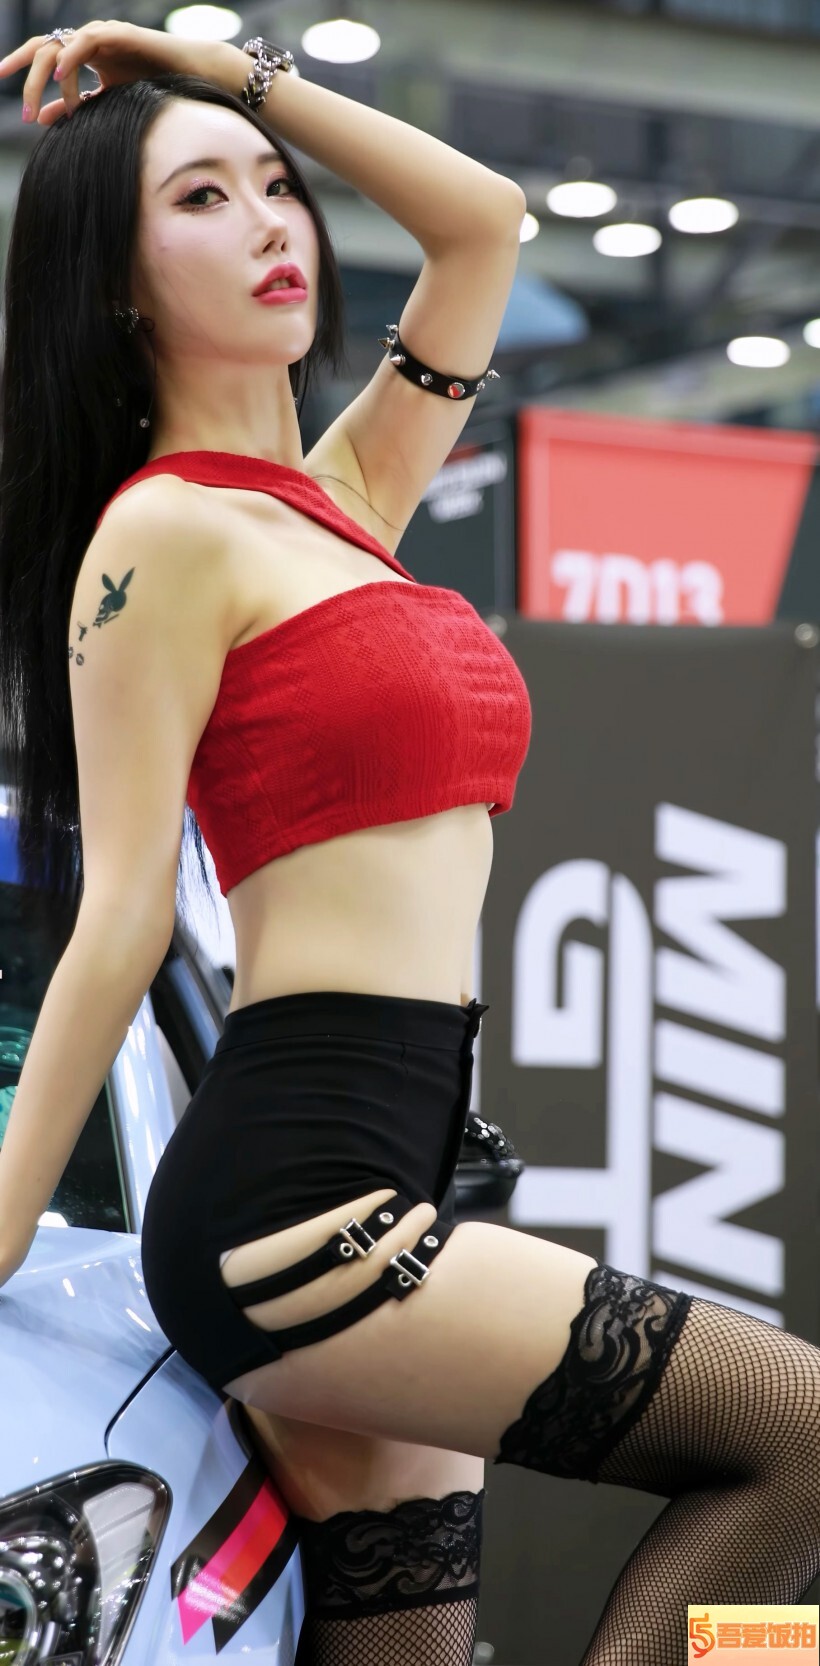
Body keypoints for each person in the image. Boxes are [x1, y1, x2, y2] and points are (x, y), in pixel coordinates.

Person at [0, 20, 818, 1666]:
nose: (269, 223)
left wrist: (223, 73)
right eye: (201, 200)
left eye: (274, 187)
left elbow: (483, 223)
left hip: (402, 1175)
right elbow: (120, 914)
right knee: (801, 1432)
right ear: (116, 282)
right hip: (295, 1211)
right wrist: (4, 1223)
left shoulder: (341, 502)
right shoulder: (161, 533)